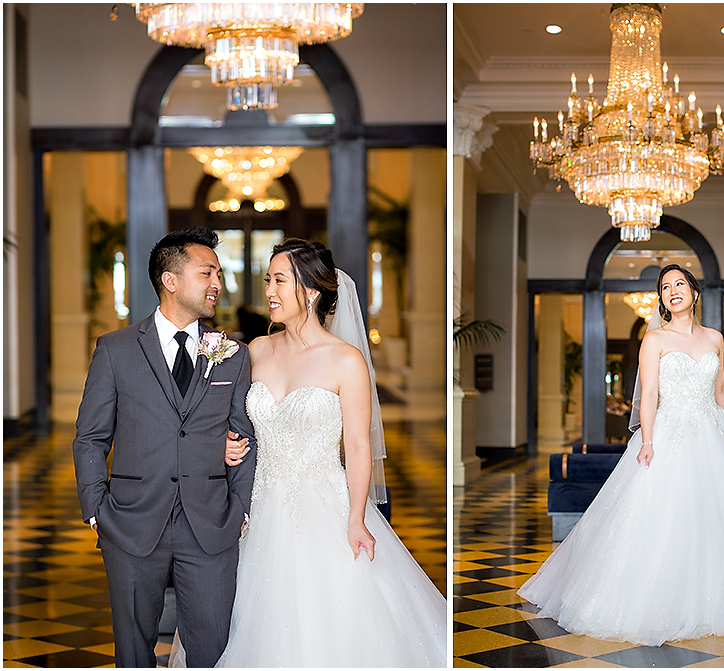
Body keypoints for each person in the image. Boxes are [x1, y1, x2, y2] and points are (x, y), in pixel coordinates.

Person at [518, 264, 724, 647]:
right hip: (668, 433)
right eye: (665, 287)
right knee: (665, 515)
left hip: (715, 434)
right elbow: (648, 395)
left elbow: (721, 393)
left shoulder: (715, 338)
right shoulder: (655, 340)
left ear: (695, 293)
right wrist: (647, 440)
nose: (673, 290)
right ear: (661, 299)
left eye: (680, 284)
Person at [171, 238, 446, 667]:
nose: (269, 291)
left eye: (280, 280)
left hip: (325, 507)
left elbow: (357, 446)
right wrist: (224, 442)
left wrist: (355, 518)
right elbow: (230, 422)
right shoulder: (255, 351)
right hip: (252, 506)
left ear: (311, 292)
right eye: (268, 280)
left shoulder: (345, 361)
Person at [72, 228, 257, 667]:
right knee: (133, 653)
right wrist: (96, 509)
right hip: (131, 523)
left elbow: (246, 434)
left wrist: (240, 508)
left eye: (217, 273)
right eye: (206, 272)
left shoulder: (233, 355)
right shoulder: (115, 350)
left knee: (213, 651)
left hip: (211, 525)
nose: (218, 282)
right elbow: (90, 437)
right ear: (170, 280)